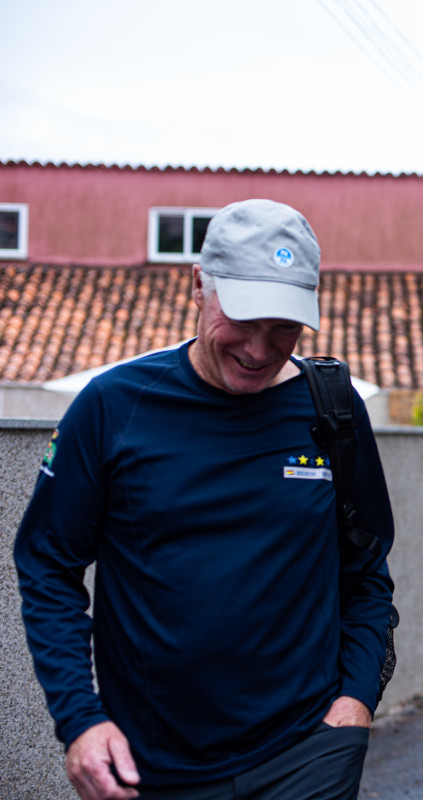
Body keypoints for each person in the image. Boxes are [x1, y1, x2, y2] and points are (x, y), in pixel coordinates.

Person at [14, 199, 396, 800]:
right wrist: (80, 720)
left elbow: (368, 572)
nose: (260, 349)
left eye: (284, 327)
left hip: (306, 755)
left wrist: (354, 703)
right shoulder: (114, 406)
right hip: (155, 767)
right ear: (198, 285)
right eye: (243, 320)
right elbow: (47, 565)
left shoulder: (334, 410)